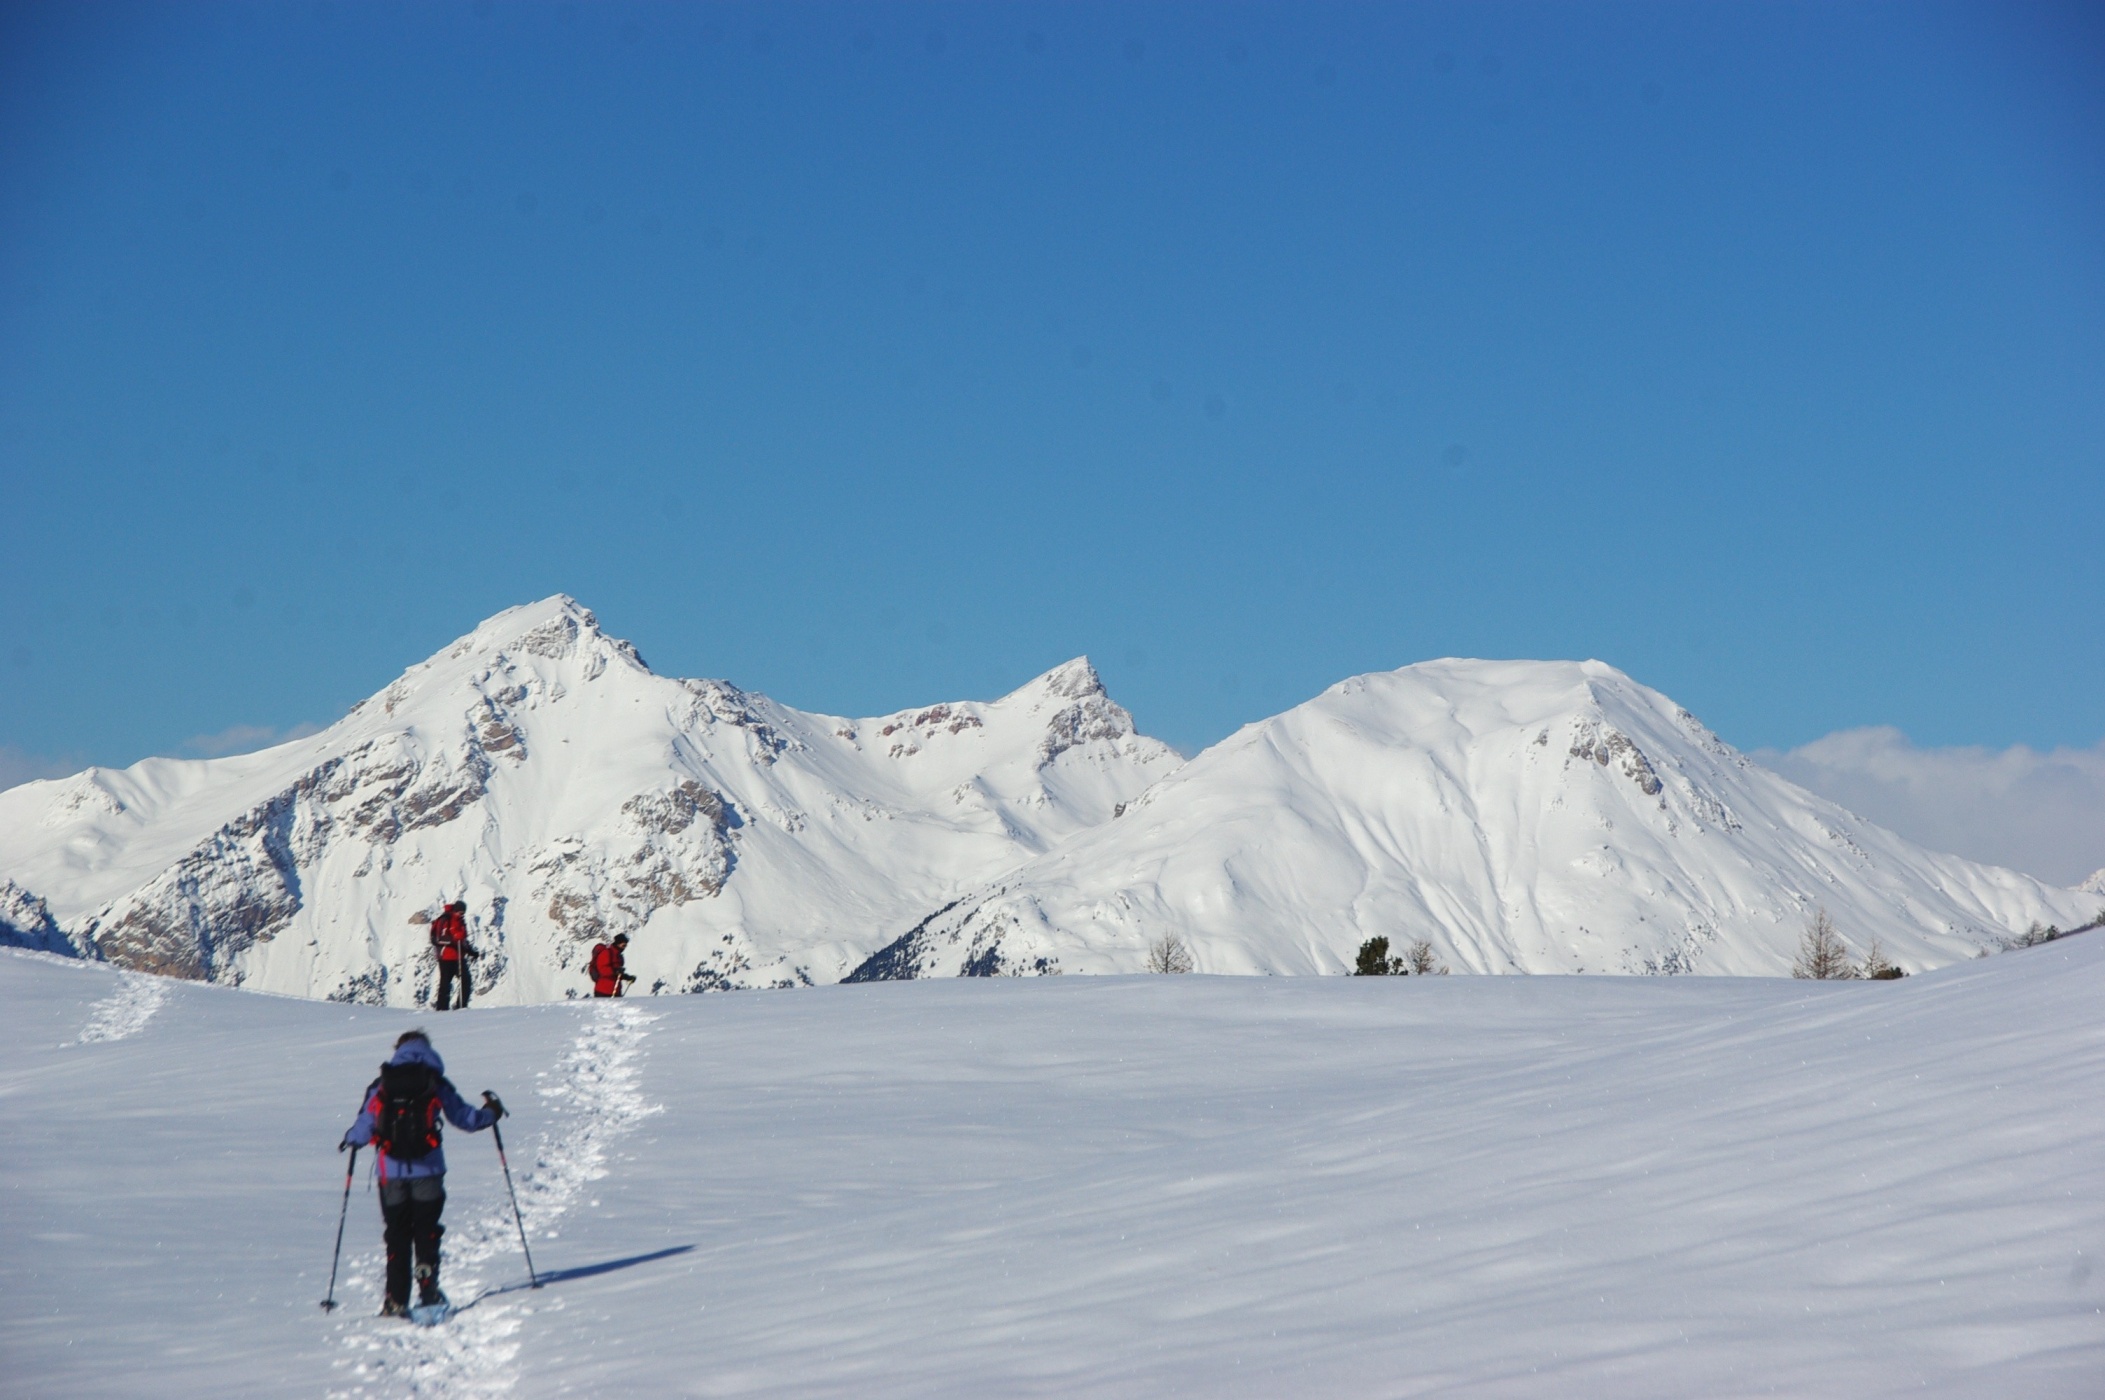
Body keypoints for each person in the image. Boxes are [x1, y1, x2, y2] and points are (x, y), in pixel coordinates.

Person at [340, 1029, 505, 1317]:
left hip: (390, 1172)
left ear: (398, 1049)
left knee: (397, 1234)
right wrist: (491, 1113)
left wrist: (351, 1139)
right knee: (426, 1231)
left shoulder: (382, 1084)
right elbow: (464, 1118)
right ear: (427, 1049)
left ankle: (395, 1299)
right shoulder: (433, 1080)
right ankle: (428, 1288)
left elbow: (364, 1127)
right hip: (428, 1169)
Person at [429, 900, 475, 1010]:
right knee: (445, 983)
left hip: (458, 956)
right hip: (446, 957)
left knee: (466, 980)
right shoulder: (445, 920)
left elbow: (463, 940)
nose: (462, 914)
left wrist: (470, 951)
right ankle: (442, 1007)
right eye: (460, 912)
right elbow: (437, 939)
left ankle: (461, 1005)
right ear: (455, 910)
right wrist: (453, 941)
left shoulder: (461, 921)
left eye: (463, 912)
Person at [589, 933, 637, 997]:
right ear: (618, 944)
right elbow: (603, 970)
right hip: (603, 991)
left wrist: (627, 977)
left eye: (625, 946)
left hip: (615, 990)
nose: (624, 948)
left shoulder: (618, 956)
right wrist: (615, 971)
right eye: (623, 945)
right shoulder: (606, 953)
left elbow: (617, 974)